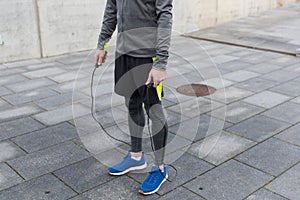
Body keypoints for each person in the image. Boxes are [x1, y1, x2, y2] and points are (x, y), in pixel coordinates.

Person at [94, 0, 173, 195]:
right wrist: (101, 44)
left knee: (154, 110)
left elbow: (165, 17)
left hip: (148, 56)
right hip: (123, 54)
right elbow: (111, 11)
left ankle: (160, 169)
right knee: (131, 105)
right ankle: (136, 156)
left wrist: (160, 63)